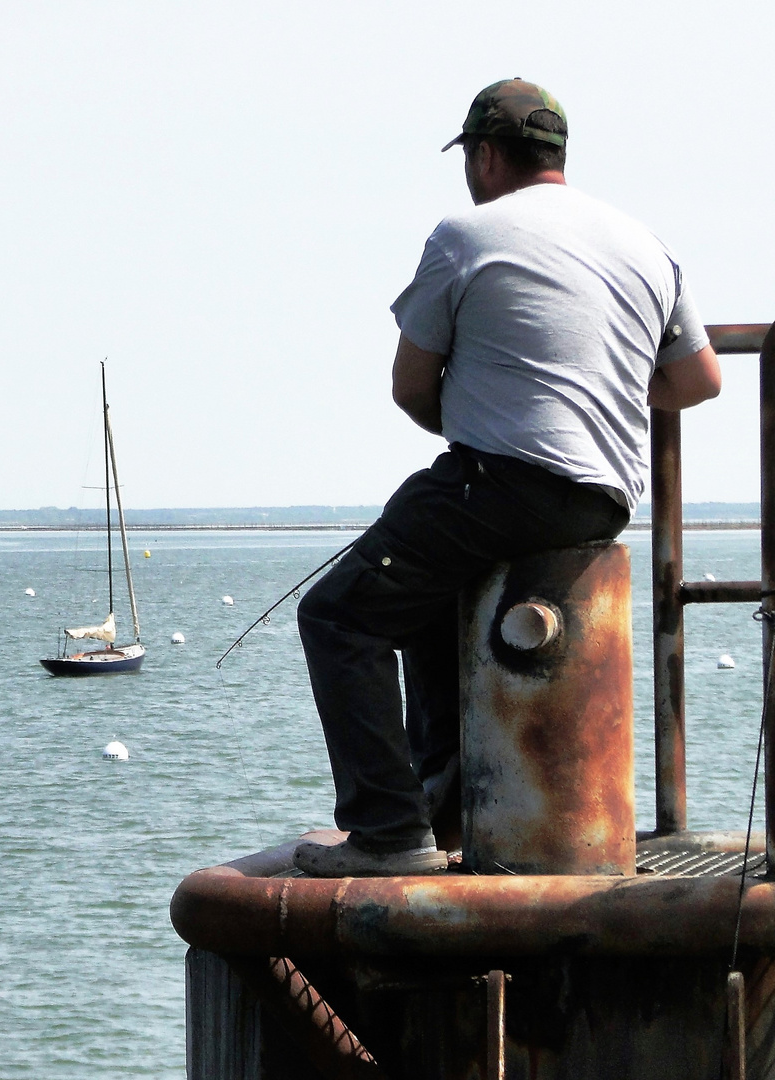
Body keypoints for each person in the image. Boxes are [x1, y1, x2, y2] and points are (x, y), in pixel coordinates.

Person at [292, 78, 723, 878]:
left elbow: (410, 387)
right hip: (604, 500)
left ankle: (389, 833)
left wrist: (479, 415)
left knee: (338, 617)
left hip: (498, 482)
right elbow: (700, 380)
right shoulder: (643, 242)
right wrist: (612, 396)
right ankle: (445, 812)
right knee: (424, 603)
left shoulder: (465, 234)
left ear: (485, 156)